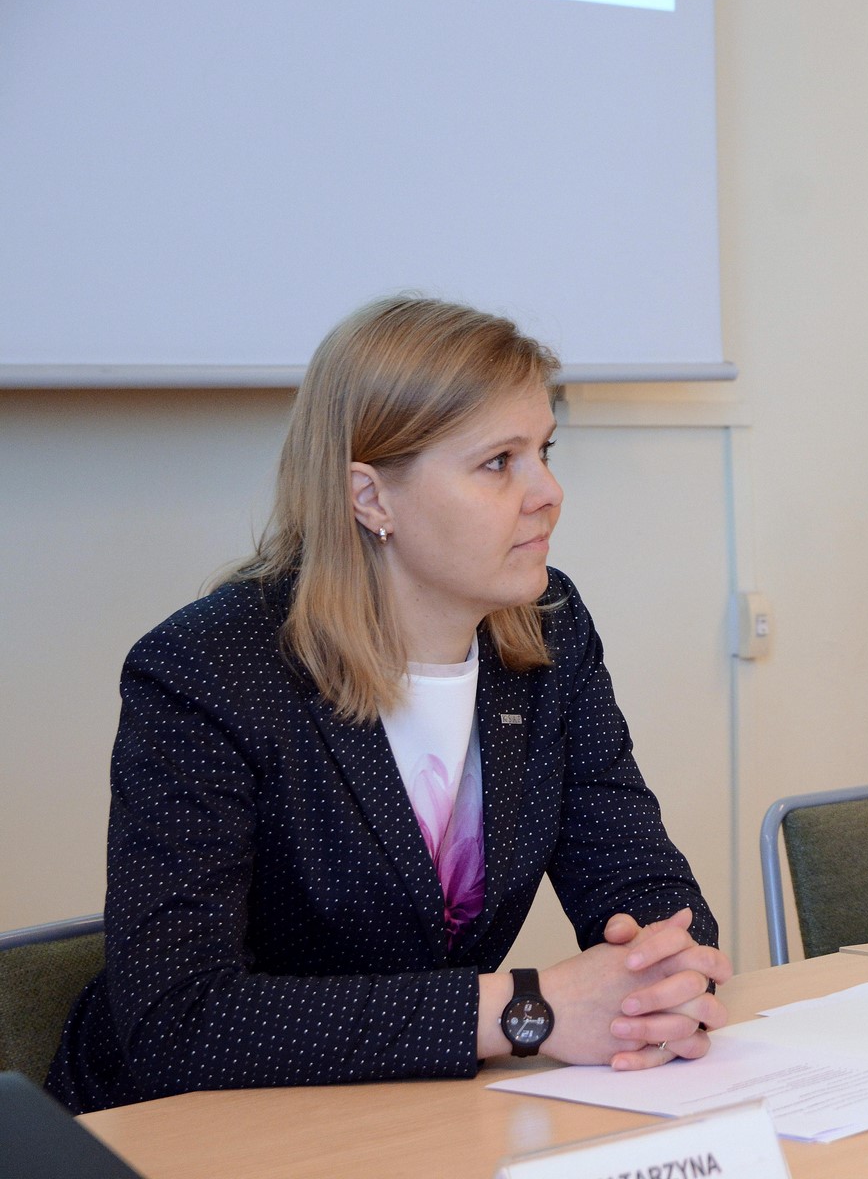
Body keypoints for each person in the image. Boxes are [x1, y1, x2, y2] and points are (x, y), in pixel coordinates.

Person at [50, 297, 730, 1113]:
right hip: (184, 1131)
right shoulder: (208, 670)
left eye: (544, 451)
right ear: (370, 498)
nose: (548, 492)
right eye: (498, 462)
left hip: (413, 1110)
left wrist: (664, 973)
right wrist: (527, 1008)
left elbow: (644, 885)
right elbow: (179, 1022)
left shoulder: (551, 630)